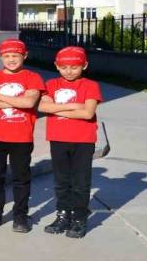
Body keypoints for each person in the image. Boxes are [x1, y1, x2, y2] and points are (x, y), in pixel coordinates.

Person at [38, 46, 102, 238]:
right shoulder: (51, 84)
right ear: (57, 66)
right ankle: (63, 215)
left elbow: (87, 113)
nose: (69, 71)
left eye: (74, 67)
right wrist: (75, 105)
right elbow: (43, 107)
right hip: (58, 138)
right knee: (61, 181)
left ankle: (79, 218)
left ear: (85, 65)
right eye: (64, 67)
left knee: (80, 182)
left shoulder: (90, 85)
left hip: (83, 140)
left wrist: (56, 108)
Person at [0, 39, 45, 233]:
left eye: (15, 55)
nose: (11, 59)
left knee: (21, 178)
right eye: (7, 56)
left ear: (24, 56)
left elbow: (29, 103)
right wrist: (17, 100)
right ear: (0, 57)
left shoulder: (32, 77)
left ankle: (20, 216)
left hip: (21, 137)